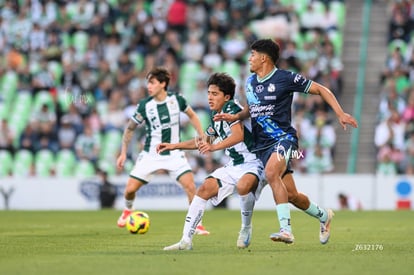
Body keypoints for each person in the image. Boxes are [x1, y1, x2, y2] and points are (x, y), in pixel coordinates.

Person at [214, 38, 358, 244]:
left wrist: (340, 113)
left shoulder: (285, 78)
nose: (250, 58)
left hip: (285, 139)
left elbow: (321, 89)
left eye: (253, 54)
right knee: (291, 195)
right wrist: (235, 117)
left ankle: (286, 230)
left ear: (264, 58)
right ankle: (324, 216)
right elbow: (252, 109)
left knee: (272, 172)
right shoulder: (250, 82)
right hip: (262, 146)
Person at [158, 72, 265, 250]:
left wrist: (214, 147)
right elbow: (202, 141)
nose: (209, 97)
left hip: (254, 161)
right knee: (205, 188)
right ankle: (186, 240)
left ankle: (246, 228)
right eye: (209, 93)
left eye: (215, 94)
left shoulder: (231, 108)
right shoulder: (217, 117)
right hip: (235, 165)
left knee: (244, 186)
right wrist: (174, 145)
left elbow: (238, 136)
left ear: (227, 96)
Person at [116, 67, 209, 235]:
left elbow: (193, 116)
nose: (148, 86)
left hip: (175, 154)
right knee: (129, 190)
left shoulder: (177, 100)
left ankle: (197, 225)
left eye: (152, 83)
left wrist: (201, 135)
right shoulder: (145, 105)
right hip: (151, 154)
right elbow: (130, 129)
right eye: (148, 83)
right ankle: (127, 210)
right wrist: (123, 152)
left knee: (190, 186)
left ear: (163, 84)